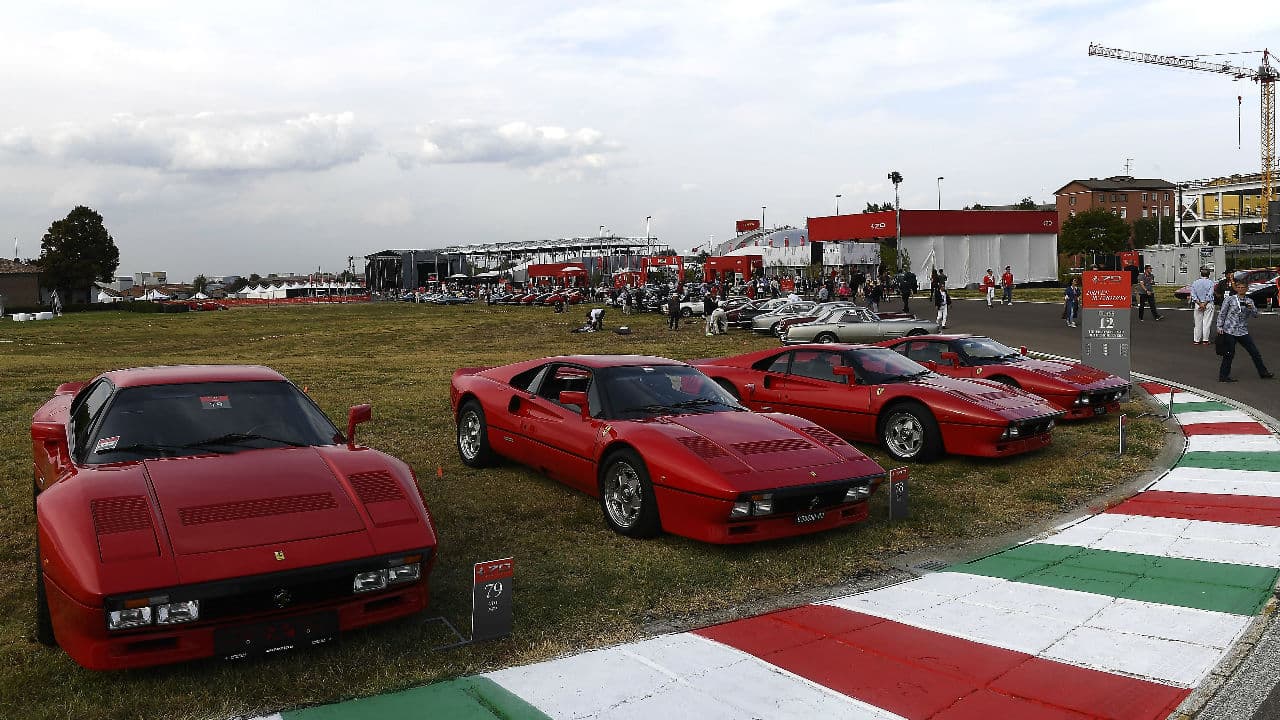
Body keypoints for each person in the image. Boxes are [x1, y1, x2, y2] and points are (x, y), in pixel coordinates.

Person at [1217, 276, 1273, 382]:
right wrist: (1219, 326)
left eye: (1243, 287)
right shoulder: (1230, 299)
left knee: (1254, 352)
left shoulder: (1249, 300)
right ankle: (1223, 376)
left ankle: (1263, 372)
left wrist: (1251, 308)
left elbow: (1256, 315)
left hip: (1242, 331)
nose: (1241, 289)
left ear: (1247, 289)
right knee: (1229, 354)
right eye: (1239, 287)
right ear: (1236, 288)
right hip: (1230, 330)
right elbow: (1222, 313)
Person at [1189, 267, 1215, 345]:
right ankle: (1205, 340)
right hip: (1208, 303)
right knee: (1207, 322)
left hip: (1198, 304)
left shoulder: (1195, 282)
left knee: (1197, 322)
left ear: (1201, 274)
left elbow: (1193, 295)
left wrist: (1200, 303)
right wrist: (1205, 303)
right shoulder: (1210, 283)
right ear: (1209, 274)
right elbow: (1210, 294)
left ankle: (1196, 339)